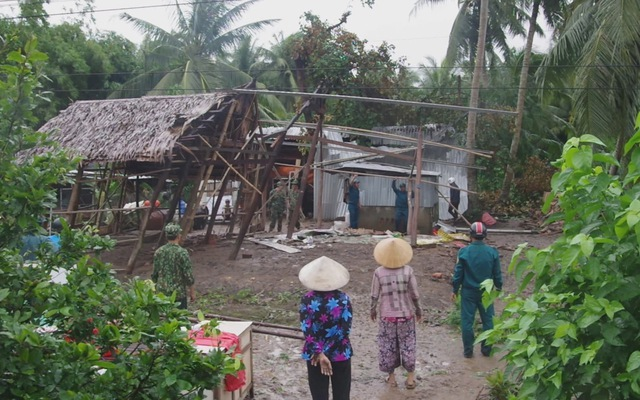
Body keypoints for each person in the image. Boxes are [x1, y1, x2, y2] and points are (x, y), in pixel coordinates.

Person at [370, 237, 422, 390]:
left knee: (388, 346)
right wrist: (418, 310)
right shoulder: (408, 271)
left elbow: (374, 295)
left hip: (387, 317)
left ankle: (392, 378)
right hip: (406, 315)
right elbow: (414, 294)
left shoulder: (379, 272)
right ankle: (410, 378)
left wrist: (372, 310)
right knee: (408, 344)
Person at [298, 256, 353, 400]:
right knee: (342, 396)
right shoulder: (343, 299)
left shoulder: (307, 299)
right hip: (340, 352)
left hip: (315, 356)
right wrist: (327, 352)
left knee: (319, 396)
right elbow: (345, 329)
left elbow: (306, 329)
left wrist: (320, 353)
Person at [451, 221, 503, 358]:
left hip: (468, 292)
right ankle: (486, 350)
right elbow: (497, 273)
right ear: (485, 235)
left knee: (467, 321)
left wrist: (455, 290)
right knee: (488, 321)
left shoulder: (463, 252)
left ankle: (468, 352)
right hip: (487, 292)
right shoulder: (492, 252)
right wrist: (499, 287)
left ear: (470, 235)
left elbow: (458, 274)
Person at [152, 223, 195, 309]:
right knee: (179, 319)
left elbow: (155, 274)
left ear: (166, 236)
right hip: (178, 293)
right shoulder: (182, 253)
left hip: (162, 293)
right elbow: (188, 275)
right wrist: (192, 292)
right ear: (178, 236)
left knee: (164, 319)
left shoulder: (158, 252)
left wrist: (154, 290)